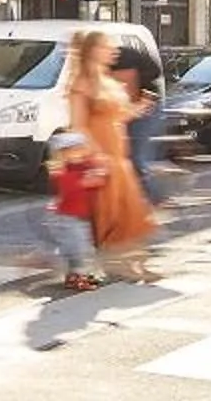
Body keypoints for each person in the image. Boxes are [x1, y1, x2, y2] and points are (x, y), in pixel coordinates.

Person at [64, 28, 156, 280]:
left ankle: (132, 265)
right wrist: (95, 155)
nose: (113, 50)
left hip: (118, 159)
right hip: (100, 160)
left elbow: (120, 115)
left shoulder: (108, 81)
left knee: (130, 214)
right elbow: (78, 125)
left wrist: (140, 108)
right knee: (105, 217)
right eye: (107, 46)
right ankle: (91, 266)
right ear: (93, 51)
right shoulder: (82, 84)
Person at [33, 129, 104, 292]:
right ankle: (77, 276)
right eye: (74, 150)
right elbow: (71, 187)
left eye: (81, 148)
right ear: (62, 154)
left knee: (82, 245)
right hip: (65, 217)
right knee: (77, 247)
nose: (80, 153)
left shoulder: (81, 165)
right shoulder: (62, 172)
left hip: (79, 215)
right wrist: (87, 181)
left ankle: (75, 274)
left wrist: (98, 170)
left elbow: (97, 172)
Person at [107, 27, 167, 193]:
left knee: (136, 156)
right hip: (133, 107)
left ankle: (152, 196)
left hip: (146, 107)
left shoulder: (124, 60)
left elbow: (130, 89)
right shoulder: (110, 63)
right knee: (128, 155)